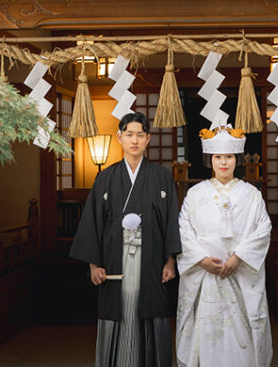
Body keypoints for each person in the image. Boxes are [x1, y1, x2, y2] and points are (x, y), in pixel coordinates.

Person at [70, 111, 181, 366]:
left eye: (140, 135)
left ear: (148, 139)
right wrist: (93, 264)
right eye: (129, 135)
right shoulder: (105, 178)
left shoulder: (162, 176)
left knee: (150, 312)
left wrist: (171, 261)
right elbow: (92, 223)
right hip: (114, 262)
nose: (134, 140)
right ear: (119, 138)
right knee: (117, 314)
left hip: (152, 261)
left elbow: (171, 221)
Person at [176, 126, 273, 367]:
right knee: (208, 330)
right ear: (210, 159)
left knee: (241, 329)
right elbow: (183, 230)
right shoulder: (195, 194)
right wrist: (201, 260)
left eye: (228, 157)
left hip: (239, 272)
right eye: (218, 157)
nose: (223, 162)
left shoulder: (251, 194)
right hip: (206, 274)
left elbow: (263, 229)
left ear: (236, 159)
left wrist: (239, 257)